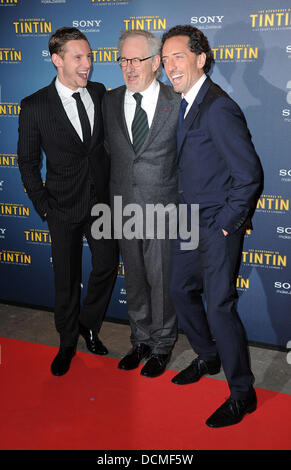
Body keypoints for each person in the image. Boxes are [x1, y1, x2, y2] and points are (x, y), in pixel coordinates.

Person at [161, 25, 262, 427]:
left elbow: (249, 174)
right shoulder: (184, 102)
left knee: (219, 306)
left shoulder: (218, 106)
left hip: (216, 225)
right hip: (187, 221)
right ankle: (208, 356)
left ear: (201, 59)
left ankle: (243, 392)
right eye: (166, 60)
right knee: (179, 290)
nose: (170, 67)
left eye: (178, 57)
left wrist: (224, 225)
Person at [17, 27, 118, 377]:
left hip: (101, 203)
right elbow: (27, 162)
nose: (88, 63)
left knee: (106, 265)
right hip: (61, 205)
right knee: (66, 277)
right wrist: (43, 205)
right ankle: (66, 343)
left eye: (89, 55)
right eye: (79, 57)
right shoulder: (34, 105)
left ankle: (88, 324)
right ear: (57, 59)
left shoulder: (100, 92)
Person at [102, 30, 180, 378]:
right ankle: (141, 340)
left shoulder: (177, 101)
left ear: (156, 64)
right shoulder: (109, 100)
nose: (129, 68)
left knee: (161, 279)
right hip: (122, 206)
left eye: (136, 60)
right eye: (123, 60)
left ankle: (163, 345)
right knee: (134, 278)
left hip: (163, 208)